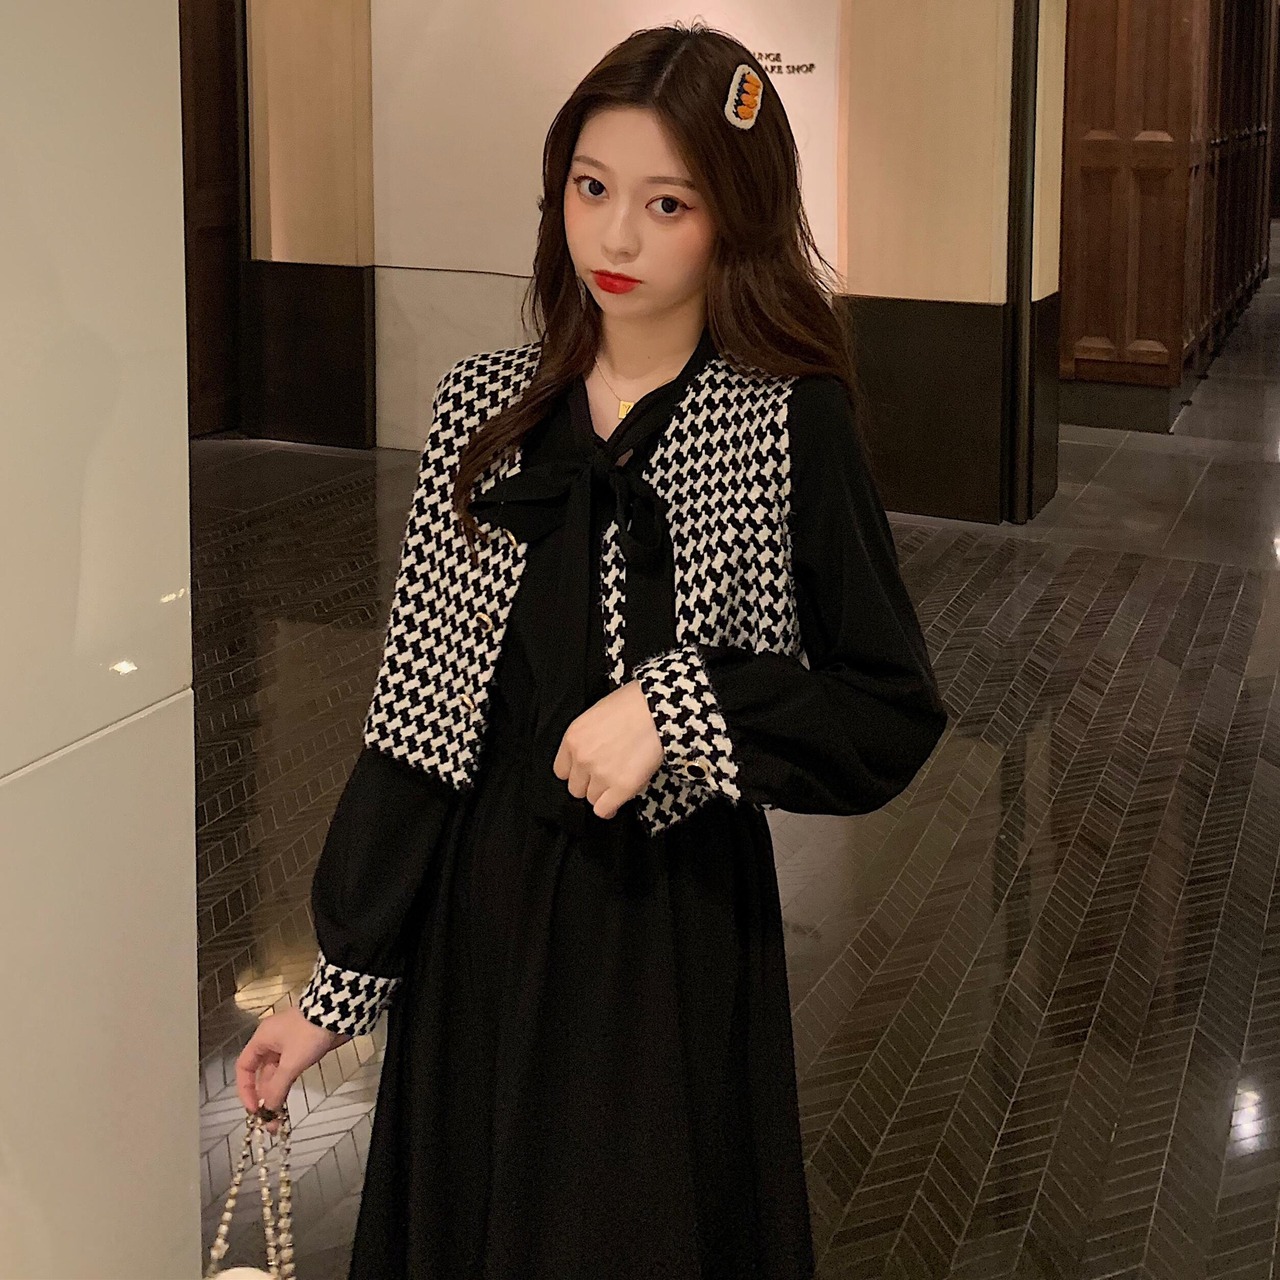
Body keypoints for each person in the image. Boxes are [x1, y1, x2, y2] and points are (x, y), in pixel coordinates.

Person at [235, 22, 947, 1280]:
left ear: (732, 218)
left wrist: (685, 706)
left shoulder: (786, 418)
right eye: (590, 187)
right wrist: (333, 988)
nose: (615, 237)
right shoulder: (481, 408)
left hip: (668, 934)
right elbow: (417, 725)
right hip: (479, 922)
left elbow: (884, 707)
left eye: (666, 203)